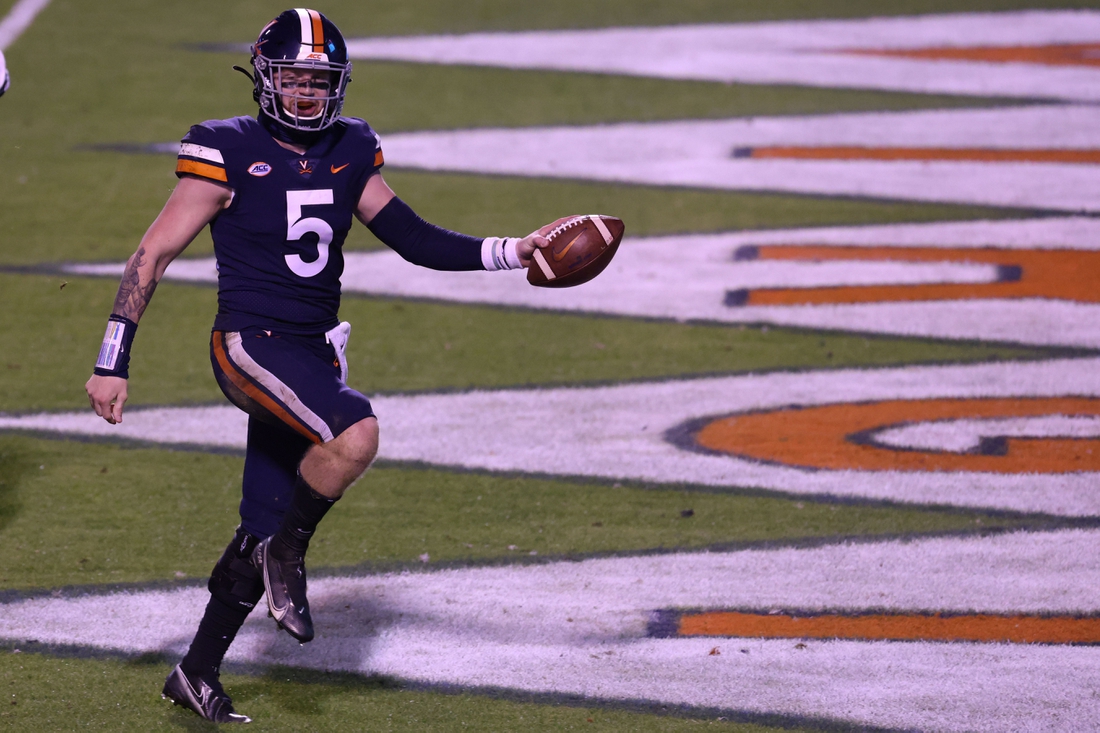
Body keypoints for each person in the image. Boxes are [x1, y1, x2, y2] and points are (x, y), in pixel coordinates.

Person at [85, 8, 555, 724]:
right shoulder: (226, 149)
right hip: (249, 343)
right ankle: (289, 555)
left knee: (263, 512)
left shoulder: (350, 147)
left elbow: (413, 237)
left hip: (310, 350)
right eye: (293, 78)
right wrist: (112, 359)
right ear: (264, 78)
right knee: (355, 433)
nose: (306, 94)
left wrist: (510, 250)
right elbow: (150, 255)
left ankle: (197, 667)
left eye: (318, 80)